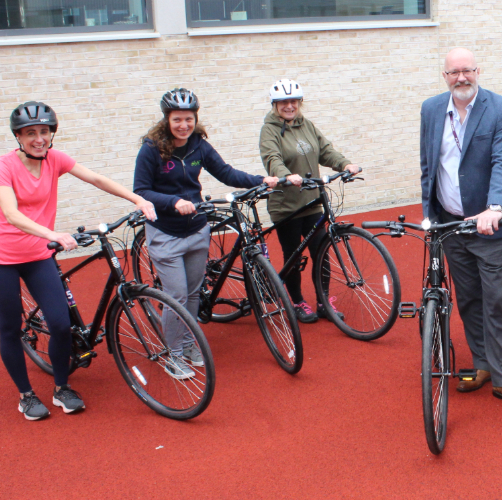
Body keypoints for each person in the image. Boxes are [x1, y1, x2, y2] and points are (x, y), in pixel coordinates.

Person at [0, 101, 156, 420]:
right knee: (10, 329)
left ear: (52, 134)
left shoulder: (55, 160)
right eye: (30, 133)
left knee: (61, 325)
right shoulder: (3, 166)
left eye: (44, 132)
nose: (38, 138)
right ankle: (26, 396)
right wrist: (53, 232)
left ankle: (62, 387)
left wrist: (138, 198)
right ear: (18, 136)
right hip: (1, 260)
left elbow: (96, 178)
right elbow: (10, 213)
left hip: (38, 255)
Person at [134, 89, 278, 380]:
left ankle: (188, 344)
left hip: (197, 229)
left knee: (194, 292)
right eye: (177, 119)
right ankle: (173, 355)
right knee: (176, 295)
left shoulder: (198, 145)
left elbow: (225, 172)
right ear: (167, 120)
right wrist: (172, 201)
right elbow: (141, 191)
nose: (183, 125)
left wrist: (261, 180)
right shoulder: (152, 149)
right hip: (166, 233)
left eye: (188, 119)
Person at [419, 48, 502, 412]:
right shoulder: (432, 109)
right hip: (450, 224)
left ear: (477, 71)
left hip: (489, 225)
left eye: (467, 70)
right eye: (454, 72)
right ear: (445, 76)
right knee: (467, 298)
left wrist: (496, 207)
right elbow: (428, 164)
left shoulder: (501, 108)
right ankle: (482, 363)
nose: (461, 77)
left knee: (496, 300)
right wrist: (428, 214)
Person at [259, 78, 360, 324]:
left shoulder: (307, 125)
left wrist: (345, 163)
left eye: (293, 101)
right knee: (293, 256)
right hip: (287, 205)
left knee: (321, 252)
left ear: (299, 103)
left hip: (313, 201)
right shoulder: (269, 129)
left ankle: (324, 301)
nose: (289, 106)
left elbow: (325, 150)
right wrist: (286, 176)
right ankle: (296, 301)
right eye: (283, 102)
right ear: (275, 105)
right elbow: (272, 158)